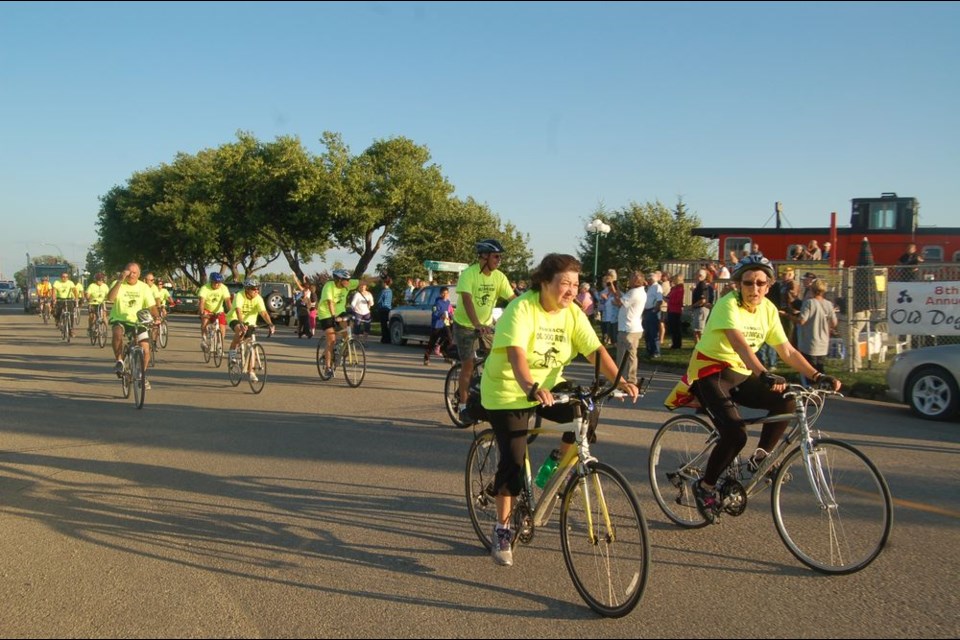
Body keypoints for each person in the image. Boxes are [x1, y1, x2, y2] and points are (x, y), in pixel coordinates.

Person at [480, 253, 639, 566]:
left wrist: (620, 381)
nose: (571, 290)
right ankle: (501, 528)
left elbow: (595, 350)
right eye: (564, 283)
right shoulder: (522, 308)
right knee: (512, 459)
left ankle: (554, 465)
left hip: (548, 387)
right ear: (544, 282)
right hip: (508, 390)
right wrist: (529, 386)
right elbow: (516, 354)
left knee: (588, 411)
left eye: (576, 284)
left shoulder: (573, 314)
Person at [664, 254, 841, 524]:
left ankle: (761, 458)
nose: (754, 288)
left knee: (787, 400)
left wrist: (817, 375)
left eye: (760, 283)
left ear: (768, 285)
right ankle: (706, 486)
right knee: (735, 434)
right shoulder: (728, 304)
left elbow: (787, 350)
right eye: (748, 283)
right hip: (711, 372)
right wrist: (764, 373)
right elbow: (740, 345)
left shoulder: (768, 309)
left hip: (742, 373)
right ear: (739, 284)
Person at [453, 239, 516, 423]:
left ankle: (484, 395)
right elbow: (467, 300)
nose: (499, 260)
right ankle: (463, 406)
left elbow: (514, 300)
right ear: (484, 256)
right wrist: (476, 323)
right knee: (468, 365)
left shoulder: (499, 277)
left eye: (500, 257)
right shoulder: (469, 274)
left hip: (486, 326)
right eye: (496, 256)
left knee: (496, 360)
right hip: (465, 324)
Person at [107, 263, 160, 388]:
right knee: (117, 333)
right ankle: (119, 360)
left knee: (146, 348)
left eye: (134, 272)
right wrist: (120, 280)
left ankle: (142, 374)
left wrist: (156, 317)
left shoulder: (144, 287)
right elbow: (110, 298)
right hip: (120, 319)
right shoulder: (118, 283)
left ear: (139, 274)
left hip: (138, 321)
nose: (131, 275)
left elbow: (151, 306)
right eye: (129, 272)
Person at [226, 279, 276, 382]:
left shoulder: (258, 298)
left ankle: (251, 372)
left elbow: (264, 313)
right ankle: (232, 354)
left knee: (251, 346)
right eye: (254, 289)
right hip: (235, 318)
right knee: (240, 331)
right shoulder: (240, 295)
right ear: (247, 289)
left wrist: (270, 324)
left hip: (251, 322)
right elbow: (238, 311)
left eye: (258, 289)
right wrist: (241, 323)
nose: (256, 291)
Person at [317, 269, 360, 377]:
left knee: (347, 332)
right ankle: (328, 368)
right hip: (326, 313)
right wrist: (334, 317)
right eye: (346, 280)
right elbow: (330, 302)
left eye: (349, 279)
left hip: (340, 311)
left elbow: (364, 281)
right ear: (339, 280)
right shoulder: (329, 286)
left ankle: (342, 346)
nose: (348, 282)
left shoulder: (348, 285)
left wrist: (381, 278)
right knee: (331, 340)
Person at [796, 278, 838, 386]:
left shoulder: (809, 303)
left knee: (809, 369)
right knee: (820, 368)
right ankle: (821, 388)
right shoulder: (828, 304)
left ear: (812, 289)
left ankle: (810, 389)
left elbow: (802, 320)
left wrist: (788, 316)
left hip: (809, 342)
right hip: (823, 342)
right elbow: (834, 323)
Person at [615, 271, 647, 385]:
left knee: (626, 355)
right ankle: (624, 378)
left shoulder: (634, 292)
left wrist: (614, 292)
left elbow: (619, 302)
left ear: (635, 280)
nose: (629, 280)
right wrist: (618, 291)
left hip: (628, 328)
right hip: (633, 327)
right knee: (629, 355)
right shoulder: (639, 291)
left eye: (630, 278)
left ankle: (628, 379)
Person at [198, 273, 232, 350]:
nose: (217, 284)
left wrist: (231, 312)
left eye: (219, 282)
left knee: (222, 327)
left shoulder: (224, 288)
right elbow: (202, 302)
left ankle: (220, 344)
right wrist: (202, 312)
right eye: (215, 282)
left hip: (219, 310)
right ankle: (204, 339)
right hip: (207, 310)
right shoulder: (205, 288)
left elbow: (228, 301)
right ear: (211, 282)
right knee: (204, 322)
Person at [423, 286, 454, 365]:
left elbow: (449, 312)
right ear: (440, 294)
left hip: (445, 324)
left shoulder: (448, 302)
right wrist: (441, 316)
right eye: (443, 293)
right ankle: (426, 358)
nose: (445, 295)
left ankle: (446, 356)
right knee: (432, 342)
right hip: (437, 325)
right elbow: (434, 313)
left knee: (449, 339)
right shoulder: (437, 303)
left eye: (446, 293)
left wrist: (451, 317)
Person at [641, 272, 663, 359]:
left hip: (652, 311)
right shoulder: (650, 288)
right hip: (647, 311)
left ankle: (656, 351)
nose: (648, 281)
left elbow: (659, 300)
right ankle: (649, 350)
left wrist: (655, 310)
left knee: (653, 332)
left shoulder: (657, 287)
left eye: (649, 279)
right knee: (647, 333)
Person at [690, 269, 712, 343]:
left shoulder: (702, 285)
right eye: (697, 274)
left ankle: (701, 348)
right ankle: (698, 348)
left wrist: (693, 306)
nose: (698, 276)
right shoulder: (699, 285)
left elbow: (703, 300)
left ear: (704, 276)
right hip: (699, 309)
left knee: (698, 331)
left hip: (701, 309)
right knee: (696, 330)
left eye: (700, 275)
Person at [292, 272, 315, 338]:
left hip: (305, 306)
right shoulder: (307, 290)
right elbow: (302, 284)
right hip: (303, 308)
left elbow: (299, 284)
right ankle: (302, 333)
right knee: (303, 322)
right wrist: (303, 278)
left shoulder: (305, 291)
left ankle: (304, 333)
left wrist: (294, 276)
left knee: (304, 322)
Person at [666, 273, 685, 349]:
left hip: (676, 310)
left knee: (676, 328)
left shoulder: (680, 288)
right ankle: (674, 342)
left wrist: (669, 300)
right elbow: (669, 295)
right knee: (672, 328)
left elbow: (678, 300)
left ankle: (677, 344)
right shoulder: (673, 288)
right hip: (671, 309)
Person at [376, 276, 394, 343]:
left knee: (383, 324)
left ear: (385, 283)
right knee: (387, 324)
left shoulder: (383, 291)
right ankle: (388, 337)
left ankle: (384, 338)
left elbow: (378, 300)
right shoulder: (390, 291)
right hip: (388, 308)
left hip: (382, 308)